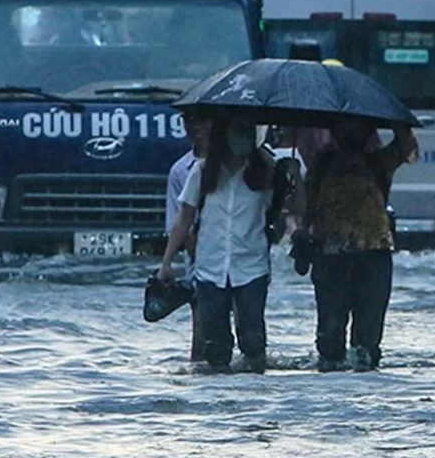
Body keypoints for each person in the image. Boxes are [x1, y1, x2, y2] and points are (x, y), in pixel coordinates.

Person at [158, 116, 294, 373]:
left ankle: (253, 391)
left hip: (252, 266)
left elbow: (293, 210)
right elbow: (184, 217)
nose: (241, 137)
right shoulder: (201, 171)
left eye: (246, 131)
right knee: (215, 346)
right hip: (210, 267)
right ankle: (220, 399)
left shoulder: (267, 172)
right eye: (236, 131)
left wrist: (291, 177)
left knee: (253, 341)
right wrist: (166, 263)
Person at [303, 118, 418, 372]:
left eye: (357, 127)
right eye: (344, 127)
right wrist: (302, 235)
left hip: (373, 252)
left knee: (368, 338)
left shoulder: (378, 161)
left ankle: (363, 371)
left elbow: (406, 149)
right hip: (330, 253)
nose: (349, 132)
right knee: (330, 332)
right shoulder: (321, 164)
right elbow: (308, 205)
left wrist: (398, 123)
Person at [165, 113, 210, 362]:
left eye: (203, 121)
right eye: (191, 122)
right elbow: (179, 223)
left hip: (243, 264)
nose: (197, 128)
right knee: (202, 339)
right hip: (201, 267)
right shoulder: (181, 171)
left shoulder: (245, 165)